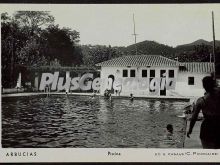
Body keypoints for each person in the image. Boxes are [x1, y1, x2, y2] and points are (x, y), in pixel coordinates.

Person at [187, 76, 220, 149]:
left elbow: (194, 117)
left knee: (208, 153)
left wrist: (190, 130)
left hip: (207, 128)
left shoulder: (201, 101)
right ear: (214, 84)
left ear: (203, 86)